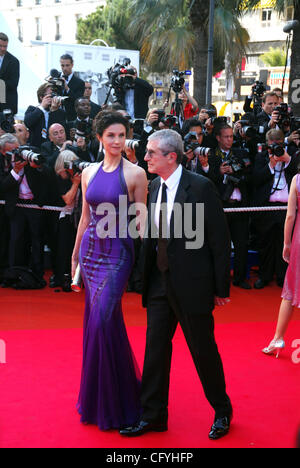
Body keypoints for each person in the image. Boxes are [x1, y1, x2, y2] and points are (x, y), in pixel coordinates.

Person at [120, 129, 233, 440]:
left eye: (151, 153)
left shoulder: (201, 187)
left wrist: (221, 288)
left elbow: (220, 241)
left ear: (171, 156)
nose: (145, 158)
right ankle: (153, 415)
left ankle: (222, 410)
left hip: (192, 285)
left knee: (202, 350)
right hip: (159, 283)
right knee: (155, 350)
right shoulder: (153, 187)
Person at [72, 110, 148, 430]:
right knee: (97, 322)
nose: (117, 141)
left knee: (102, 320)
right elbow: (85, 219)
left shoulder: (136, 174)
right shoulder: (88, 172)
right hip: (90, 253)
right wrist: (74, 256)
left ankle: (119, 399)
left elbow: (142, 223)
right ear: (100, 137)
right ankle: (98, 398)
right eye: (111, 135)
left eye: (121, 135)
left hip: (118, 253)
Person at [262, 170, 300, 357]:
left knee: (290, 290)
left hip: (299, 241)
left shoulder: (297, 179)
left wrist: (287, 243)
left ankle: (278, 338)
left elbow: (290, 216)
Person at [24, 83, 66, 149]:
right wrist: (42, 107)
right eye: (50, 95)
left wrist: (53, 112)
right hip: (36, 148)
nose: (53, 98)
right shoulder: (32, 109)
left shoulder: (60, 112)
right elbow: (28, 122)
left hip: (53, 149)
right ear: (41, 97)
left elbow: (58, 129)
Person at [59, 54, 86, 121]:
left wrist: (67, 88)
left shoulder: (80, 83)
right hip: (56, 117)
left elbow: (78, 101)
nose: (64, 68)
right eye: (62, 65)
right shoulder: (55, 78)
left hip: (71, 119)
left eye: (67, 65)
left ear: (72, 65)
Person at [0, 33, 20, 115]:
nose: (3, 49)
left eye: (5, 46)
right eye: (0, 46)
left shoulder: (13, 61)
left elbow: (13, 83)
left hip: (6, 106)